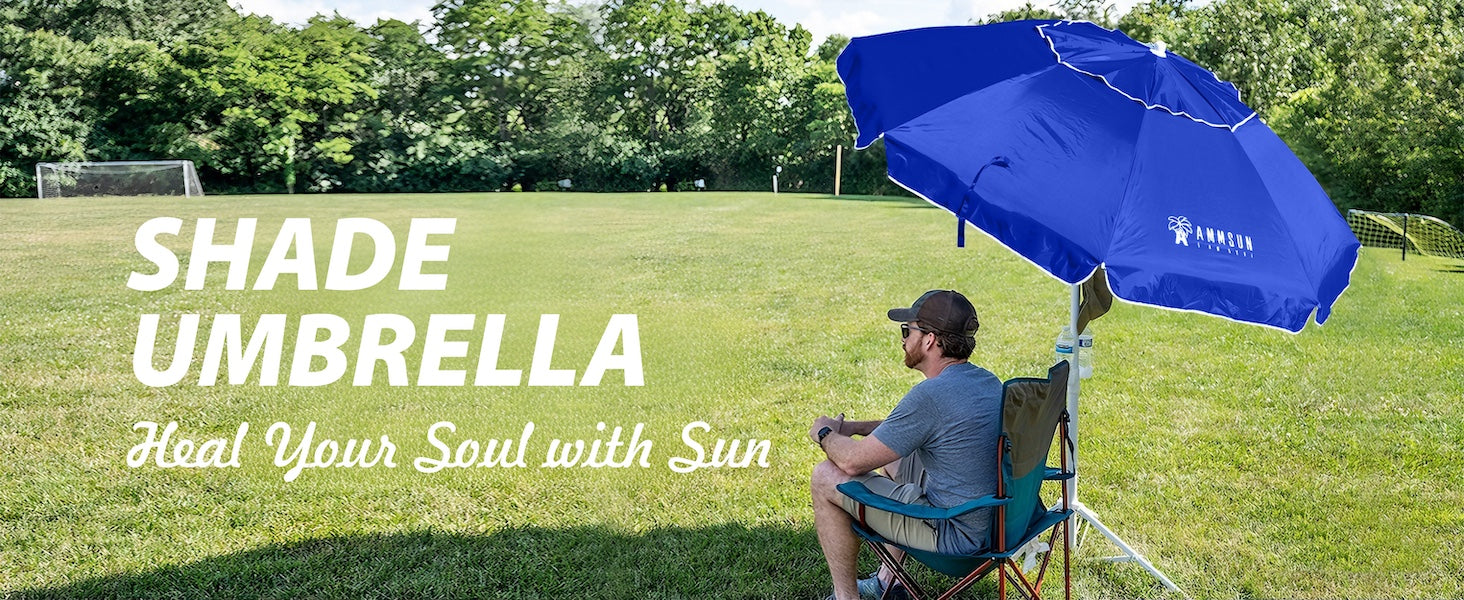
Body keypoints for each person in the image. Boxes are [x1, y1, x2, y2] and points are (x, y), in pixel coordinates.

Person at [809, 290, 1003, 600]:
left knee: (825, 477)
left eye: (907, 331)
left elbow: (852, 463)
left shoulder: (931, 396)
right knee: (897, 457)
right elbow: (907, 430)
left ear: (929, 340)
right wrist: (855, 428)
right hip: (998, 522)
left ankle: (845, 597)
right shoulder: (985, 382)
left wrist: (825, 433)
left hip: (955, 535)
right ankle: (889, 581)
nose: (903, 340)